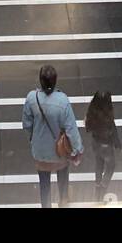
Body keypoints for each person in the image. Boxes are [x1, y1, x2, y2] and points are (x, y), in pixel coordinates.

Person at [22, 64, 83, 207]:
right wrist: (77, 150)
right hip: (60, 152)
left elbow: (27, 125)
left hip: (40, 152)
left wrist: (34, 138)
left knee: (44, 186)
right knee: (63, 183)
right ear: (55, 80)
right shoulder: (62, 100)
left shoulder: (32, 98)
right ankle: (62, 203)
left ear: (40, 80)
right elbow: (71, 129)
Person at [84, 90, 122, 203]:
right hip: (106, 145)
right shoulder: (107, 116)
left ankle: (97, 188)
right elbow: (113, 131)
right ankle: (103, 188)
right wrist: (119, 145)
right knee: (111, 165)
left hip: (95, 143)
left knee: (99, 164)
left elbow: (87, 128)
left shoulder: (92, 112)